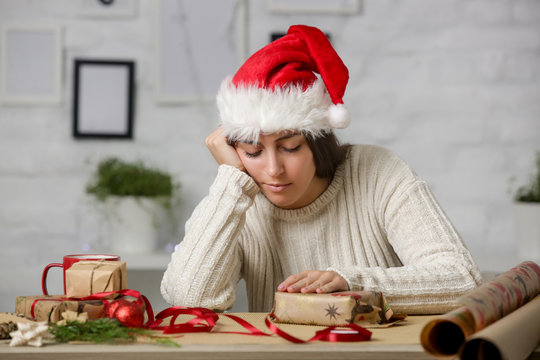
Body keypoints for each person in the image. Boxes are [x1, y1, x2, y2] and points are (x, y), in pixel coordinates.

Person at [161, 24, 482, 314]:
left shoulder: (378, 173)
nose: (273, 170)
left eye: (290, 148)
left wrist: (350, 281)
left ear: (318, 141)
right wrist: (229, 184)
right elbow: (188, 299)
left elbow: (462, 279)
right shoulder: (239, 201)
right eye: (253, 151)